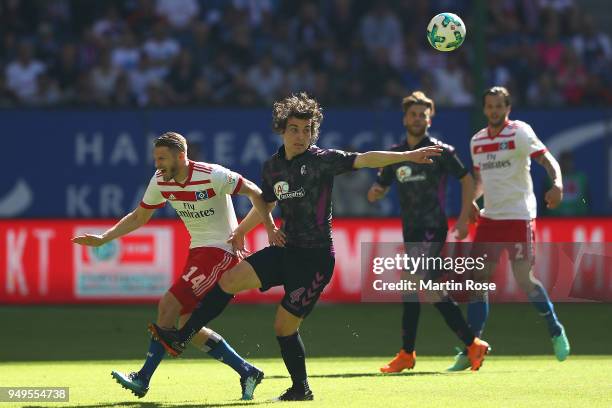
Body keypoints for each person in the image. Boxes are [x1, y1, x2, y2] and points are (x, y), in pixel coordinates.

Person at [148, 93, 443, 401]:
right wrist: (241, 231)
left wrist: (408, 156)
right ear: (282, 130)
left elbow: (366, 158)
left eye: (306, 129)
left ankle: (301, 389)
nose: (300, 135)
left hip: (314, 259)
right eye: (294, 129)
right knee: (229, 280)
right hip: (285, 249)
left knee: (283, 327)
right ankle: (183, 336)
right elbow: (266, 202)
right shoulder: (273, 167)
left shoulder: (322, 160)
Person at [72, 132, 279, 400]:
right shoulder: (161, 180)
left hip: (221, 251)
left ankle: (143, 377)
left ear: (181, 156)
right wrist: (104, 238)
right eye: (155, 158)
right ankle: (247, 370)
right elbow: (139, 216)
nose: (157, 164)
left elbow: (256, 192)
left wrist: (260, 228)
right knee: (187, 325)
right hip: (198, 252)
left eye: (162, 158)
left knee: (168, 305)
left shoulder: (212, 175)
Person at [447, 86, 571, 371]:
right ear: (484, 109)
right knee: (478, 281)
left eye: (498, 106)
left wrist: (558, 184)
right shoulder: (477, 140)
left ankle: (554, 329)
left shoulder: (520, 132)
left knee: (524, 279)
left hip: (519, 216)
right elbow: (479, 180)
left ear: (508, 108)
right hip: (491, 218)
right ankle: (473, 346)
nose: (493, 111)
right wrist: (470, 205)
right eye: (489, 106)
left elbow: (547, 159)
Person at [367, 91, 490, 374]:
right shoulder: (396, 155)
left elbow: (467, 180)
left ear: (429, 119)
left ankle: (409, 352)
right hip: (411, 232)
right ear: (405, 118)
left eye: (423, 114)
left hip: (432, 228)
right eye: (414, 114)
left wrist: (462, 218)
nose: (418, 118)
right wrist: (376, 191)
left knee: (411, 283)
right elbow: (382, 185)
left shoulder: (440, 151)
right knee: (426, 291)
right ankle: (470, 344)